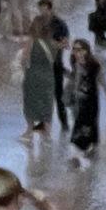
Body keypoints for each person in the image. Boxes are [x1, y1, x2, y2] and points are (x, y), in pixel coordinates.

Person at [20, 17, 63, 152]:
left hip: (32, 76)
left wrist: (25, 69)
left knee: (31, 103)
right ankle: (47, 134)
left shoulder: (31, 41)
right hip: (48, 77)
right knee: (47, 103)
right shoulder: (53, 43)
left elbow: (24, 59)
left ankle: (29, 131)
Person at [66, 38, 103, 168]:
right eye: (74, 49)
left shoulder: (93, 65)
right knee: (79, 122)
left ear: (86, 50)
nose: (76, 52)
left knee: (87, 123)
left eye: (79, 49)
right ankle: (82, 148)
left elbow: (96, 82)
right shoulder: (74, 62)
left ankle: (83, 148)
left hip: (90, 100)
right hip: (78, 99)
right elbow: (74, 78)